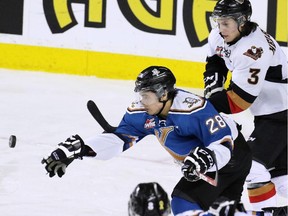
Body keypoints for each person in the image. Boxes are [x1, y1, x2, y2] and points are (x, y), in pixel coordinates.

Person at [42, 66, 252, 215]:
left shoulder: (194, 109)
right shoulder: (142, 112)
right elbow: (119, 139)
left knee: (183, 203)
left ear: (163, 95)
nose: (142, 101)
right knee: (223, 208)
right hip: (208, 164)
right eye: (140, 94)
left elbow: (224, 142)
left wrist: (207, 158)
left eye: (146, 96)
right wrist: (83, 149)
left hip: (231, 157)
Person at [203, 0, 288, 215]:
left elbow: (239, 101)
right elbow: (216, 60)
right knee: (281, 178)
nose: (221, 29)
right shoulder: (222, 35)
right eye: (219, 22)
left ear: (242, 21)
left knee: (251, 166)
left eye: (226, 23)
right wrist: (212, 88)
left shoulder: (254, 50)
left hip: (281, 115)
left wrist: (201, 108)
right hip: (270, 114)